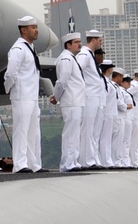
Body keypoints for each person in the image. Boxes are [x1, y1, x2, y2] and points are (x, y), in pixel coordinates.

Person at [3, 16, 42, 173]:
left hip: (32, 96)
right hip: (22, 95)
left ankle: (32, 163)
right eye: (33, 27)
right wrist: (11, 89)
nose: (36, 30)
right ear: (24, 30)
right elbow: (10, 73)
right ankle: (20, 164)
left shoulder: (30, 48)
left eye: (36, 27)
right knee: (21, 130)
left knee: (32, 132)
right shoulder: (18, 49)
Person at [49, 32, 85, 172]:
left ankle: (73, 161)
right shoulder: (65, 59)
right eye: (76, 42)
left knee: (75, 133)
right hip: (71, 100)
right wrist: (56, 97)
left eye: (79, 42)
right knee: (70, 132)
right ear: (68, 45)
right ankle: (67, 163)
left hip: (76, 100)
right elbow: (62, 81)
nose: (79, 44)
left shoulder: (71, 58)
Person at [77, 29, 104, 168]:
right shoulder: (84, 55)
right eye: (99, 40)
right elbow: (77, 71)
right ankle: (87, 160)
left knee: (93, 130)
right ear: (93, 40)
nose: (101, 43)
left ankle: (92, 158)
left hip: (96, 97)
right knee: (87, 129)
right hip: (88, 96)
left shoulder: (91, 55)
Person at [97, 59, 118, 168]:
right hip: (105, 113)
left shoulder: (108, 81)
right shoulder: (103, 81)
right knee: (104, 138)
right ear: (108, 69)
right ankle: (105, 161)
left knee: (107, 138)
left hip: (110, 113)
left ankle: (107, 159)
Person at [109, 68, 131, 167]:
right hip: (117, 116)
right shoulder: (112, 86)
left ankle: (118, 161)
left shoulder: (116, 87)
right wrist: (126, 106)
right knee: (116, 141)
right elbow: (118, 102)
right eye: (121, 77)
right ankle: (115, 161)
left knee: (120, 141)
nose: (122, 80)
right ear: (118, 77)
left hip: (121, 117)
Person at [119, 74, 136, 167]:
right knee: (124, 141)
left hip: (128, 119)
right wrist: (127, 106)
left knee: (126, 141)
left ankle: (126, 160)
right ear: (122, 82)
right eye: (127, 81)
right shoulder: (122, 92)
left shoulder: (126, 92)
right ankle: (124, 161)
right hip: (125, 118)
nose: (129, 84)